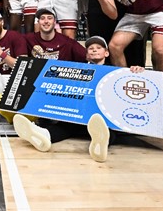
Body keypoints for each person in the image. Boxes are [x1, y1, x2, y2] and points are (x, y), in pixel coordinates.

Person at [13, 36, 143, 162]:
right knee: (65, 126)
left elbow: (128, 87)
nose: (94, 49)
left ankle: (99, 144)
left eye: (98, 47)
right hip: (79, 118)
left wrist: (138, 72)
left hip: (102, 117)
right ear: (86, 55)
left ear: (107, 53)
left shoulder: (116, 72)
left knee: (107, 128)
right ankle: (43, 135)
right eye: (90, 48)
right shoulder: (76, 70)